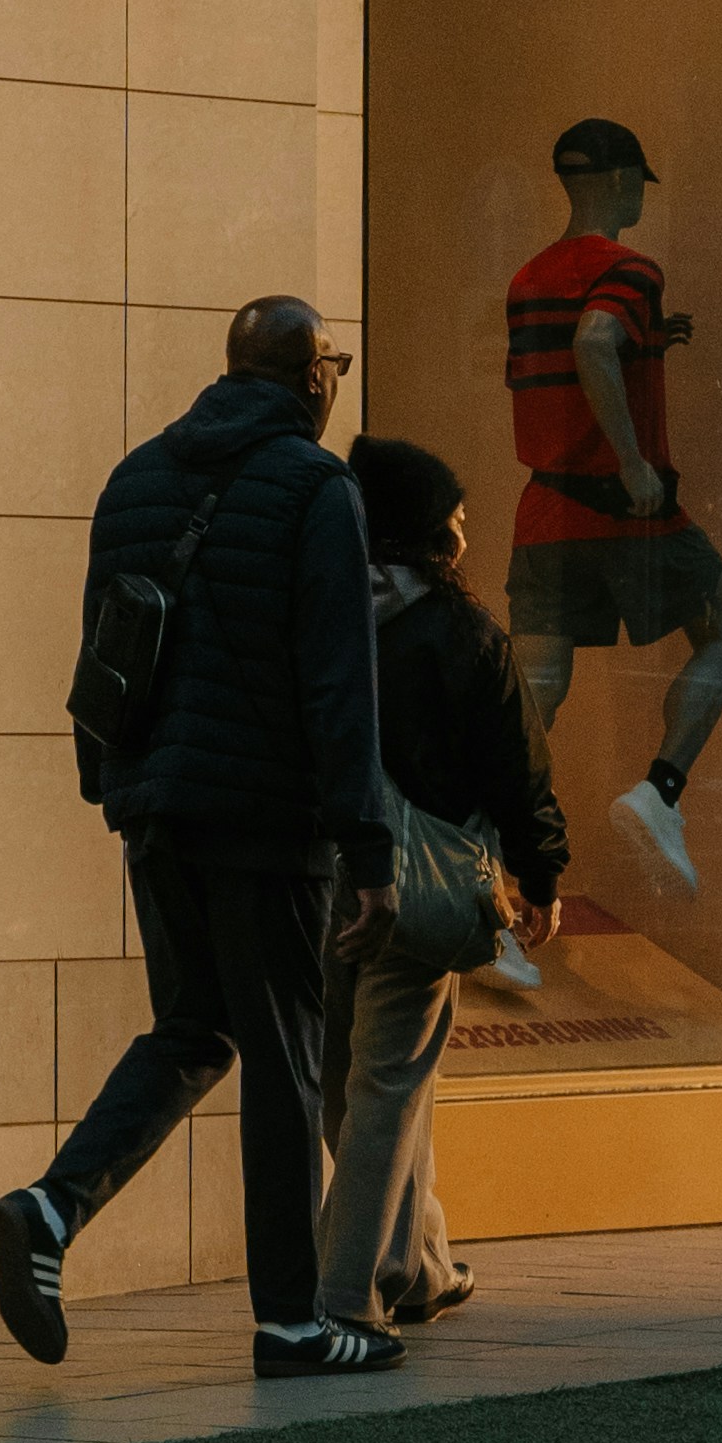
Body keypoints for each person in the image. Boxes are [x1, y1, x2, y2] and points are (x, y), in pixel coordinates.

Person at [0, 293, 405, 1380]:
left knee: (195, 1027)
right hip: (267, 820)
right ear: (310, 375)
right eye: (335, 364)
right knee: (286, 1062)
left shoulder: (134, 476)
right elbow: (337, 680)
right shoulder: (317, 487)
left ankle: (49, 1205)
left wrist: (117, 788)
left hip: (158, 808)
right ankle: (292, 1318)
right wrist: (369, 848)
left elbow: (103, 648)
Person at [317, 436, 571, 1335]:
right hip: (416, 897)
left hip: (316, 879)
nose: (465, 536)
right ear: (429, 533)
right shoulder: (460, 633)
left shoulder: (321, 612)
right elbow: (519, 769)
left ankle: (416, 1265)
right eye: (455, 521)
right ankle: (347, 1297)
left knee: (347, 1084)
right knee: (388, 1089)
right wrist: (539, 874)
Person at [503, 116, 722, 898]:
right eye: (637, 179)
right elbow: (593, 342)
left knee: (538, 689)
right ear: (612, 181)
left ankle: (480, 841)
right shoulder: (631, 269)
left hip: (544, 516)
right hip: (622, 511)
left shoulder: (529, 276)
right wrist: (635, 460)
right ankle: (660, 793)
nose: (641, 192)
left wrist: (648, 342)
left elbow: (571, 355)